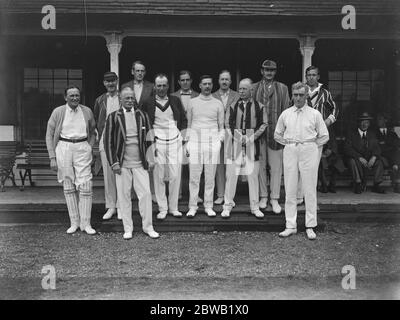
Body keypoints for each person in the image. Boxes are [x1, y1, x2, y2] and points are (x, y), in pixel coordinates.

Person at [274, 82, 329, 240]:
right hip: (291, 151)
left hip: (308, 151)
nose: (298, 98)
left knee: (309, 189)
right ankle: (290, 225)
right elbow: (277, 134)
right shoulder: (286, 114)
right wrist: (290, 144)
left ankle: (310, 225)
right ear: (292, 95)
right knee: (290, 189)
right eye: (296, 95)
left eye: (301, 95)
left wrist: (311, 145)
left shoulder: (314, 114)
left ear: (306, 96)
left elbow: (324, 135)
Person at [104, 87, 160, 240]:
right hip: (122, 164)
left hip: (140, 162)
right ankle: (128, 228)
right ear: (120, 100)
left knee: (146, 195)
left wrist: (151, 158)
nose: (129, 101)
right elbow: (108, 142)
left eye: (131, 98)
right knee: (124, 196)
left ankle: (148, 227)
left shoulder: (142, 115)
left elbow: (150, 138)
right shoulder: (113, 117)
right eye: (126, 98)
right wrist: (113, 162)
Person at [45, 86, 97, 235]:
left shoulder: (86, 111)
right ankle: (74, 222)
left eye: (77, 95)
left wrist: (89, 147)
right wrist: (52, 157)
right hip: (64, 147)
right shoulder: (58, 112)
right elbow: (49, 134)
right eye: (71, 95)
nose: (75, 98)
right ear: (65, 97)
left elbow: (93, 131)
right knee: (68, 185)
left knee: (86, 184)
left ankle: (86, 223)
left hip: (82, 146)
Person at [142, 74, 187, 219]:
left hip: (174, 140)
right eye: (159, 85)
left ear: (168, 86)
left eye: (164, 85)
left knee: (174, 175)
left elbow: (184, 120)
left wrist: (183, 137)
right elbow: (144, 123)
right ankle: (163, 208)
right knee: (159, 176)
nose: (161, 88)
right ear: (155, 87)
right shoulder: (148, 102)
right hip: (157, 141)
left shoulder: (175, 100)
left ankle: (173, 207)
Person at [221, 78, 267, 218]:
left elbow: (264, 124)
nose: (241, 91)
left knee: (253, 176)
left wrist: (251, 138)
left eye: (244, 89)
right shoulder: (232, 106)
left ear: (251, 90)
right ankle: (227, 206)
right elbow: (228, 124)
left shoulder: (260, 106)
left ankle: (254, 206)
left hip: (253, 144)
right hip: (235, 144)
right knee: (231, 176)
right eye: (240, 88)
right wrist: (236, 137)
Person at [253, 59, 290, 213]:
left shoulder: (282, 88)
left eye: (272, 70)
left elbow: (286, 112)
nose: (269, 73)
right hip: (259, 135)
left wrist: (283, 134)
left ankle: (274, 198)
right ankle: (263, 196)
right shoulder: (254, 88)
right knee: (260, 167)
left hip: (276, 134)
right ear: (262, 71)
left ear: (275, 72)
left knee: (276, 168)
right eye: (266, 70)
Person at [185, 75, 225, 217]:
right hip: (195, 143)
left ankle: (208, 205)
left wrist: (218, 142)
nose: (207, 86)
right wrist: (188, 143)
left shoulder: (218, 103)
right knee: (194, 177)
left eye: (209, 83)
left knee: (210, 176)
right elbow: (189, 124)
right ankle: (193, 206)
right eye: (204, 84)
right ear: (200, 86)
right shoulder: (192, 102)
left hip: (212, 143)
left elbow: (221, 126)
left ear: (212, 85)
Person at [121, 60, 156, 202]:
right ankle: (132, 194)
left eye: (142, 71)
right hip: (129, 123)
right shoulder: (125, 86)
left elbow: (153, 107)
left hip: (145, 123)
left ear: (145, 72)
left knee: (148, 158)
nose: (140, 73)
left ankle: (150, 193)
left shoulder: (151, 86)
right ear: (132, 71)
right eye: (137, 70)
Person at [93, 71, 121, 220]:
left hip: (121, 139)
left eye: (113, 81)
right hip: (106, 138)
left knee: (121, 173)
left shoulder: (124, 97)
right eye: (107, 81)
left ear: (117, 81)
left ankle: (122, 206)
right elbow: (97, 119)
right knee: (108, 174)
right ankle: (111, 206)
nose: (110, 84)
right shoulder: (100, 100)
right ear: (104, 83)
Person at [171, 70, 200, 201]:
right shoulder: (172, 96)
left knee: (194, 167)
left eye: (187, 80)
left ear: (191, 81)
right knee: (177, 166)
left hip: (194, 134)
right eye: (182, 80)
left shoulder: (199, 96)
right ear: (178, 82)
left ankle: (195, 196)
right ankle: (177, 194)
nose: (185, 82)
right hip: (177, 135)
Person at [212, 70, 240, 205]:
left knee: (231, 165)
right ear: (218, 81)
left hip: (231, 133)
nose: (224, 82)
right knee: (219, 165)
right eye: (222, 79)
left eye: (227, 79)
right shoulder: (212, 96)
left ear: (230, 81)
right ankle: (220, 194)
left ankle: (230, 196)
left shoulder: (237, 95)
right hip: (216, 133)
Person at [344, 112, 385, 194]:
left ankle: (377, 185)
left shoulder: (372, 134)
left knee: (379, 162)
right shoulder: (351, 134)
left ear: (369, 124)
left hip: (369, 160)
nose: (364, 124)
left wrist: (373, 157)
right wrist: (359, 157)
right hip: (357, 159)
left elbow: (377, 148)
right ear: (358, 123)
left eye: (366, 122)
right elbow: (347, 149)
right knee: (351, 161)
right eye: (362, 122)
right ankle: (358, 183)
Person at [376, 113, 400, 193]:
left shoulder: (392, 133)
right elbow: (377, 147)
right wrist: (389, 146)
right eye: (377, 120)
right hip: (382, 156)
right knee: (396, 155)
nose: (378, 121)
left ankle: (397, 184)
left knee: (397, 152)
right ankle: (397, 182)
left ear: (385, 120)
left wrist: (385, 144)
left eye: (380, 119)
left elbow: (397, 144)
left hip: (391, 157)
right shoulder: (374, 134)